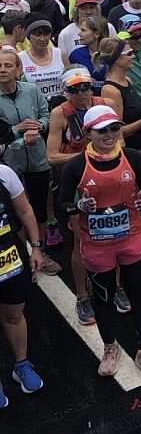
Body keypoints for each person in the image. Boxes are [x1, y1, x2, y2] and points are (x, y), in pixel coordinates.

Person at [58, 105, 141, 381]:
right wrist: (79, 206)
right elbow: (62, 204)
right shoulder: (76, 165)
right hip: (97, 247)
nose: (109, 135)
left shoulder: (132, 157)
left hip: (132, 240)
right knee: (104, 301)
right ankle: (110, 348)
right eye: (101, 130)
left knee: (139, 298)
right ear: (88, 133)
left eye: (114, 128)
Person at [95, 36, 141, 262]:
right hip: (133, 151)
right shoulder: (111, 91)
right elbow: (117, 132)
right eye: (128, 53)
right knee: (137, 197)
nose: (133, 56)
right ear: (116, 59)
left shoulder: (127, 80)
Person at [46, 68, 108, 325]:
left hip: (106, 177)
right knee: (81, 239)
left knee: (114, 234)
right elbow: (52, 156)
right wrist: (87, 156)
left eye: (85, 86)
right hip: (76, 182)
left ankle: (116, 288)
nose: (81, 93)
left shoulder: (104, 104)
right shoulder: (60, 113)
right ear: (66, 91)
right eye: (74, 89)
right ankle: (82, 296)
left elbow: (119, 141)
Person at [0, 48, 58, 274]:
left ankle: (40, 252)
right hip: (9, 163)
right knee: (16, 212)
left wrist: (39, 127)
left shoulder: (31, 90)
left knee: (40, 207)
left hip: (37, 158)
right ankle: (24, 255)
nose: (2, 70)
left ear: (18, 70)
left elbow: (46, 115)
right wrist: (19, 129)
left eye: (8, 65)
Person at [0, 163, 45, 405]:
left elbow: (25, 210)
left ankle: (22, 365)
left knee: (14, 315)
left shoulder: (4, 174)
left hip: (10, 260)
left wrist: (36, 248)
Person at [19, 16, 70, 104]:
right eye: (37, 35)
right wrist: (48, 100)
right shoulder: (21, 58)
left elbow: (70, 80)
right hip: (35, 106)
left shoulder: (60, 54)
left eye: (46, 34)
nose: (42, 39)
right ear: (29, 36)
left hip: (61, 104)